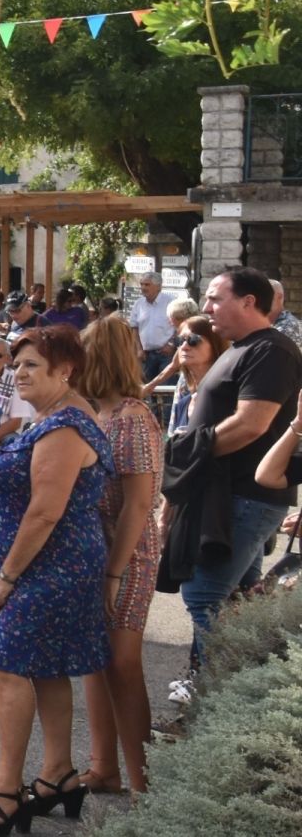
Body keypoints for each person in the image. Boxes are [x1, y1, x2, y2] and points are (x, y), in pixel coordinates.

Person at [0, 326, 111, 835]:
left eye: (32, 365)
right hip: (48, 566)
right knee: (48, 668)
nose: (19, 372)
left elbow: (45, 512)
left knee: (6, 668)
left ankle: (6, 792)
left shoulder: (65, 426)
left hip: (53, 568)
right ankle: (57, 776)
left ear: (64, 370)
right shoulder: (50, 417)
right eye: (17, 364)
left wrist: (6, 575)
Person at [162, 268, 301, 700]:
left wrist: (189, 454)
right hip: (228, 495)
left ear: (249, 302)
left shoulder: (271, 350)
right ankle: (224, 687)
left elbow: (251, 424)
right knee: (238, 597)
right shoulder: (243, 348)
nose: (206, 308)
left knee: (205, 594)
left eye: (215, 299)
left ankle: (216, 691)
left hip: (245, 495)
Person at [76, 317, 164, 796]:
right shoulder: (103, 413)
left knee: (123, 663)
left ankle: (145, 781)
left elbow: (138, 504)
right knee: (97, 659)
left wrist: (113, 571)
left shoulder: (132, 417)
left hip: (126, 552)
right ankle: (104, 767)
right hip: (100, 549)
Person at [161, 314, 223, 435]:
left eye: (193, 340)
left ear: (215, 343)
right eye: (181, 340)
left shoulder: (226, 389)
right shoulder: (184, 387)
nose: (184, 347)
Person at [128, 271, 175, 381]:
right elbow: (134, 327)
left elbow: (179, 325)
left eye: (147, 284)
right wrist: (139, 349)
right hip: (146, 356)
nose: (143, 287)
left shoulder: (170, 302)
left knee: (166, 390)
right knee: (146, 390)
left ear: (158, 287)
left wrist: (171, 343)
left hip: (166, 355)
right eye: (142, 284)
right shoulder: (138, 304)